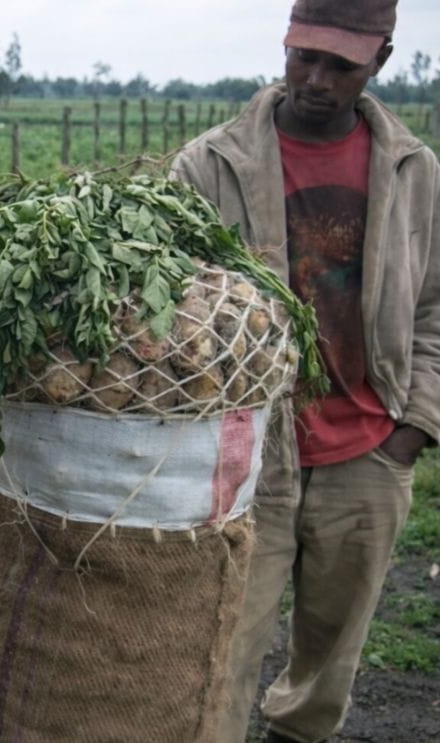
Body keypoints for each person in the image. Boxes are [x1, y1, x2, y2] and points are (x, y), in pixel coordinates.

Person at [171, 1, 440, 741]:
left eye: (340, 66)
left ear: (380, 60)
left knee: (332, 653)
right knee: (221, 645)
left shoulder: (415, 173)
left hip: (369, 449)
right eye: (303, 58)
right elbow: (166, 307)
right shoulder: (210, 164)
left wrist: (412, 427)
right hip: (251, 452)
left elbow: (435, 311)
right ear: (286, 45)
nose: (315, 79)